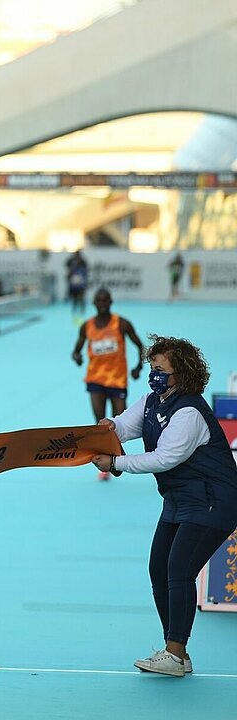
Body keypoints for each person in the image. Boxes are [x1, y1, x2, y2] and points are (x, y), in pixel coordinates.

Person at [91, 335, 237, 677]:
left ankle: (174, 652)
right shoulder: (152, 401)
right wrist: (107, 429)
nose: (153, 375)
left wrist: (115, 463)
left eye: (160, 369)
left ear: (181, 374)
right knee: (159, 570)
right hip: (179, 500)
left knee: (180, 571)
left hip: (214, 501)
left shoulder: (188, 412)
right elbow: (126, 425)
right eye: (152, 368)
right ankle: (177, 654)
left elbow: (165, 458)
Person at [72, 288, 144, 479]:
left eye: (106, 300)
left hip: (117, 381)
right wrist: (77, 357)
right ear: (94, 303)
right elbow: (76, 350)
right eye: (99, 300)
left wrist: (138, 367)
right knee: (100, 425)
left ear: (111, 302)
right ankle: (107, 466)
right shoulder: (87, 326)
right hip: (95, 380)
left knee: (119, 422)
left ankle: (116, 459)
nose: (102, 304)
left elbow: (140, 346)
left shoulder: (122, 324)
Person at [66, 250, 88, 316]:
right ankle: (74, 310)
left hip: (81, 285)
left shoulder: (83, 263)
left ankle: (82, 310)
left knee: (81, 298)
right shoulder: (71, 263)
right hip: (74, 285)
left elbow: (85, 273)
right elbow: (67, 267)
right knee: (75, 299)